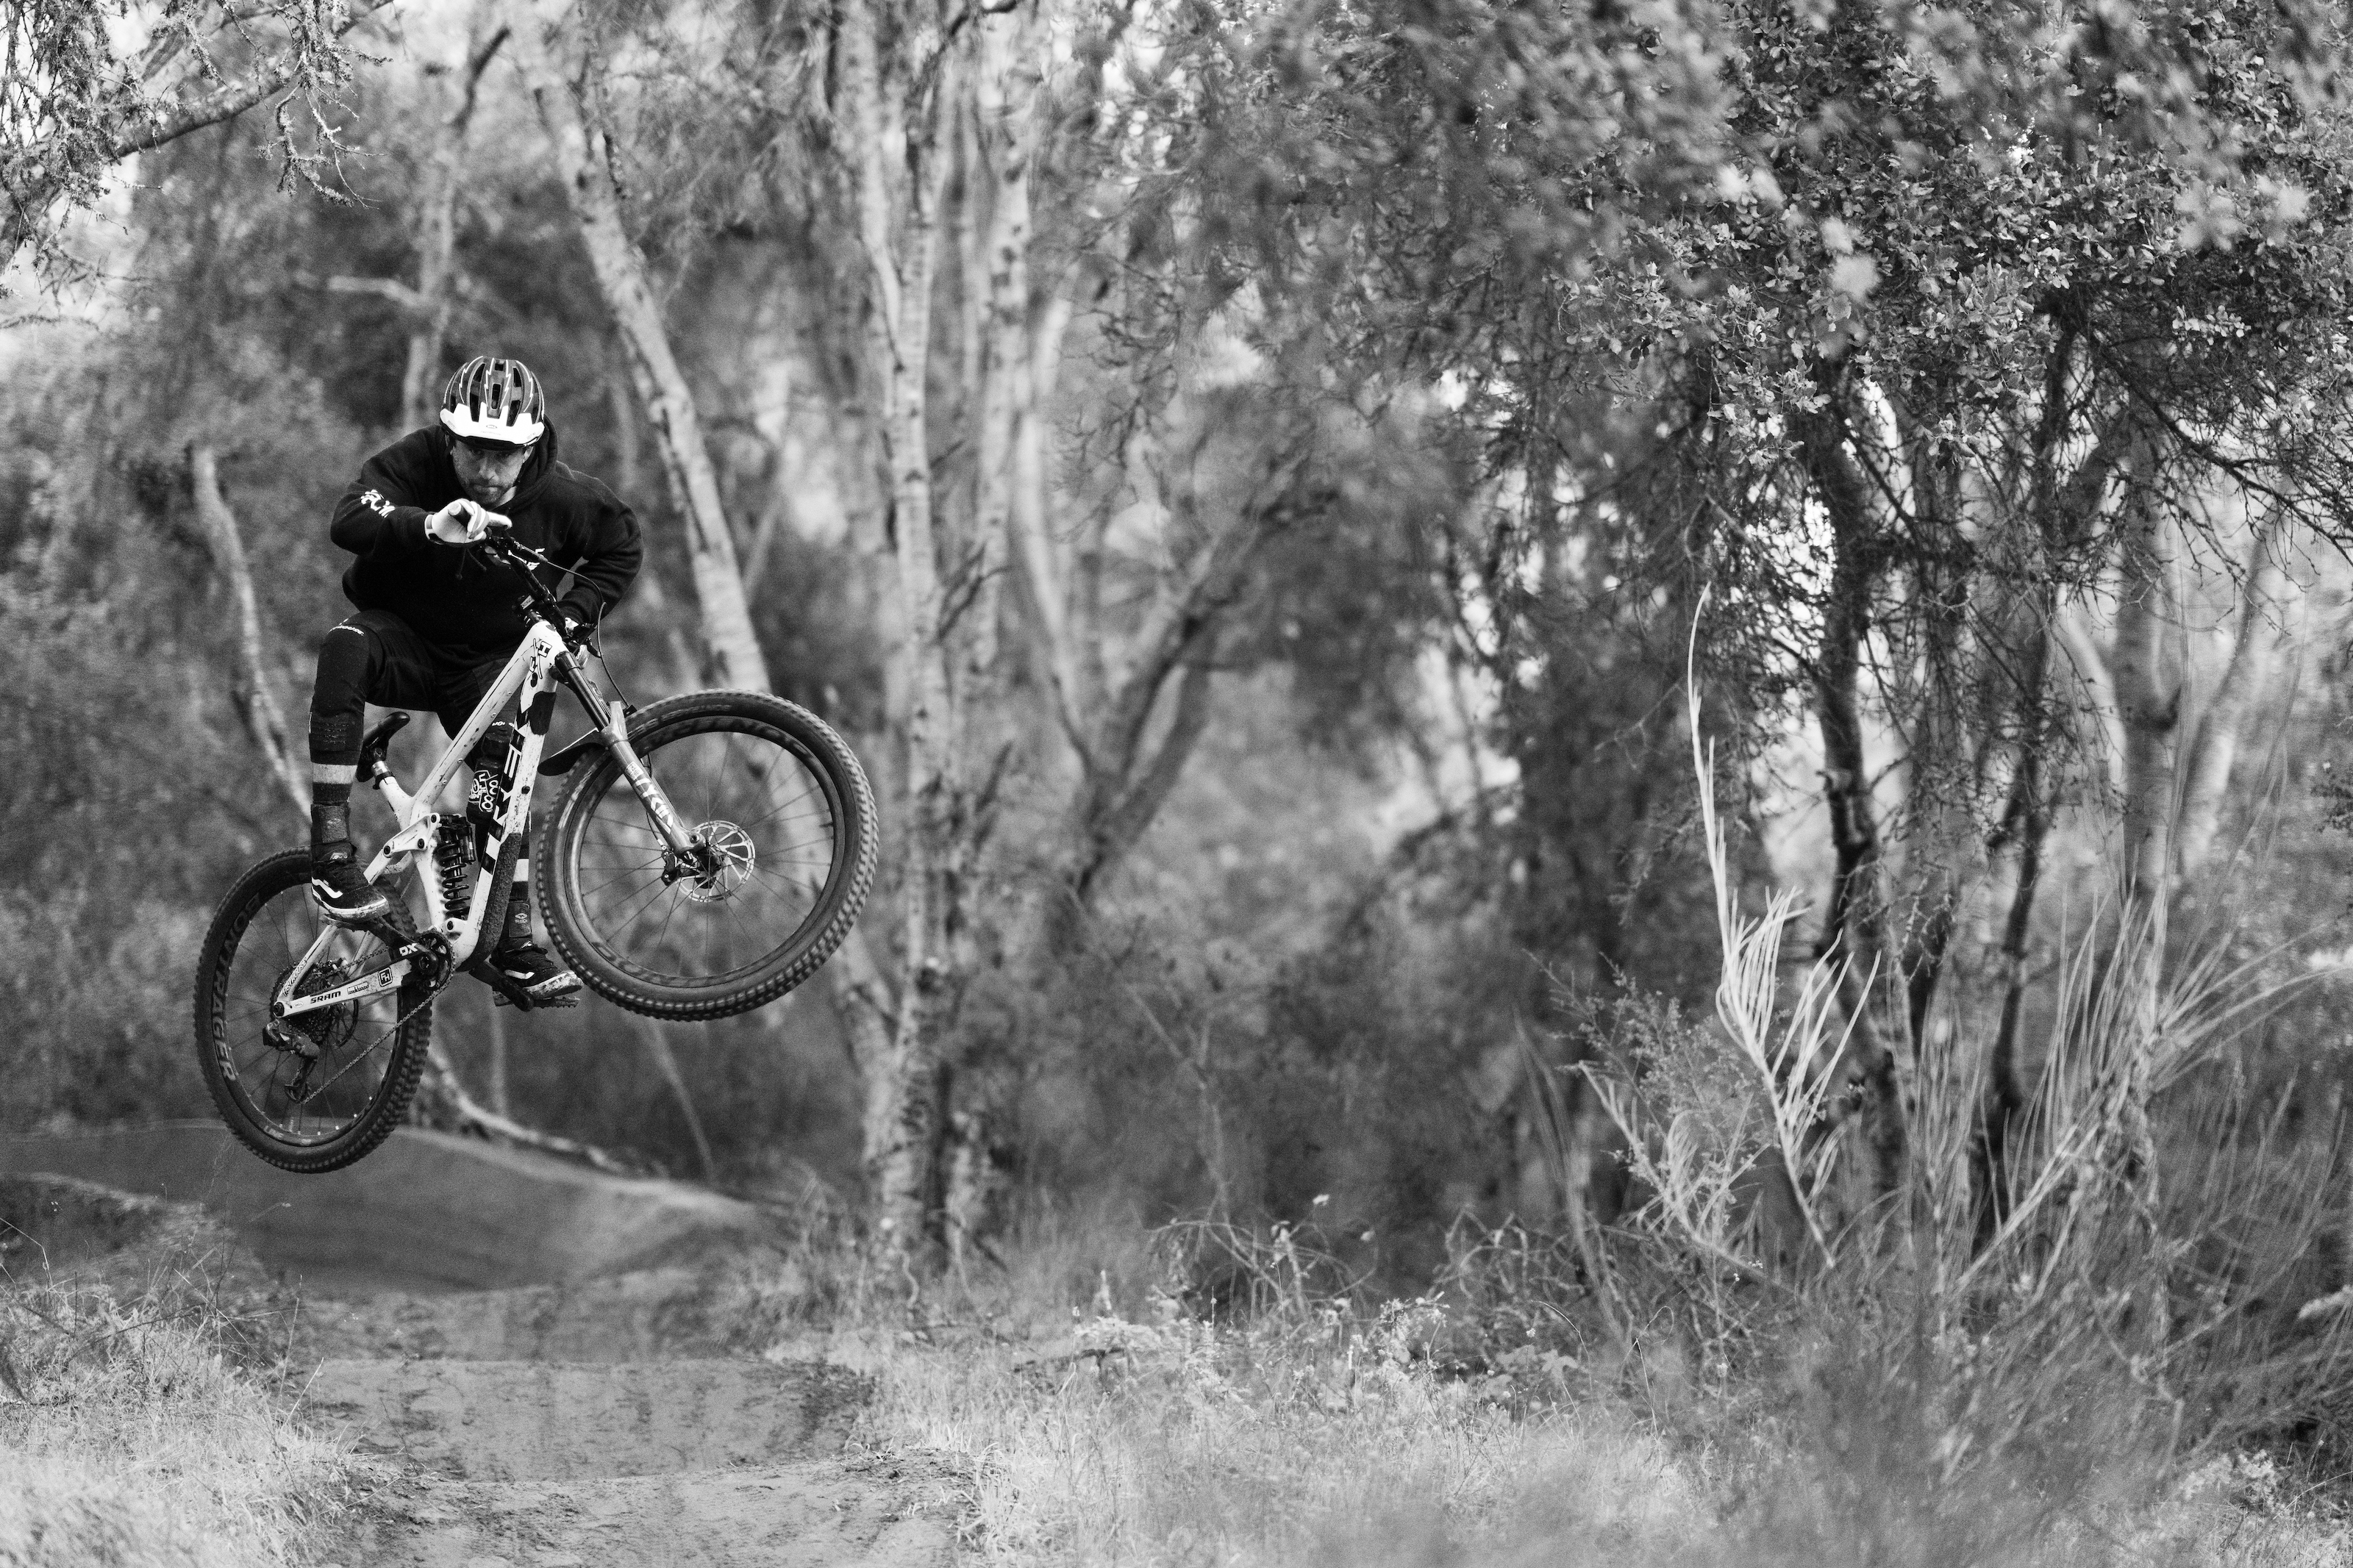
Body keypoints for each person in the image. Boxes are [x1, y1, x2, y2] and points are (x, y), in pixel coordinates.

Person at [305, 355, 643, 1006]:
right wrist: (428, 524)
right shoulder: (419, 460)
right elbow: (348, 516)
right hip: (401, 638)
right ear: (450, 437)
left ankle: (511, 946)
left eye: (506, 456)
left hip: (483, 665)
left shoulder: (567, 497)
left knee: (508, 762)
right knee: (343, 646)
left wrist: (572, 617)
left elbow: (622, 545)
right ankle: (330, 857)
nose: (488, 472)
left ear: (533, 446)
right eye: (474, 453)